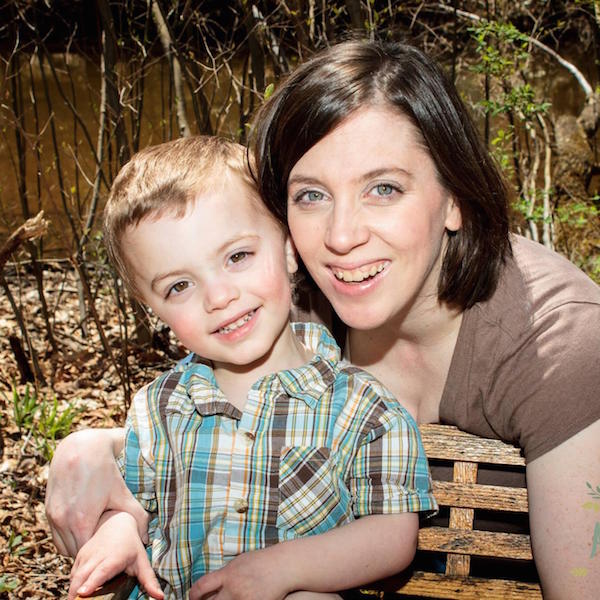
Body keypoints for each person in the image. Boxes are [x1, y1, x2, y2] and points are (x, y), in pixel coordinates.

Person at [46, 40, 600, 598]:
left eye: (384, 189)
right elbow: (221, 428)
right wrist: (97, 446)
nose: (340, 237)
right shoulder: (296, 293)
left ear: (454, 196)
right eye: (310, 195)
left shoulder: (558, 339)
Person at [66, 135, 436, 600]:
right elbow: (140, 504)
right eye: (180, 285)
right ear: (151, 308)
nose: (219, 297)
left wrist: (279, 571)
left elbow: (392, 538)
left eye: (238, 257)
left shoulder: (365, 408)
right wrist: (121, 530)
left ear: (287, 248)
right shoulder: (160, 406)